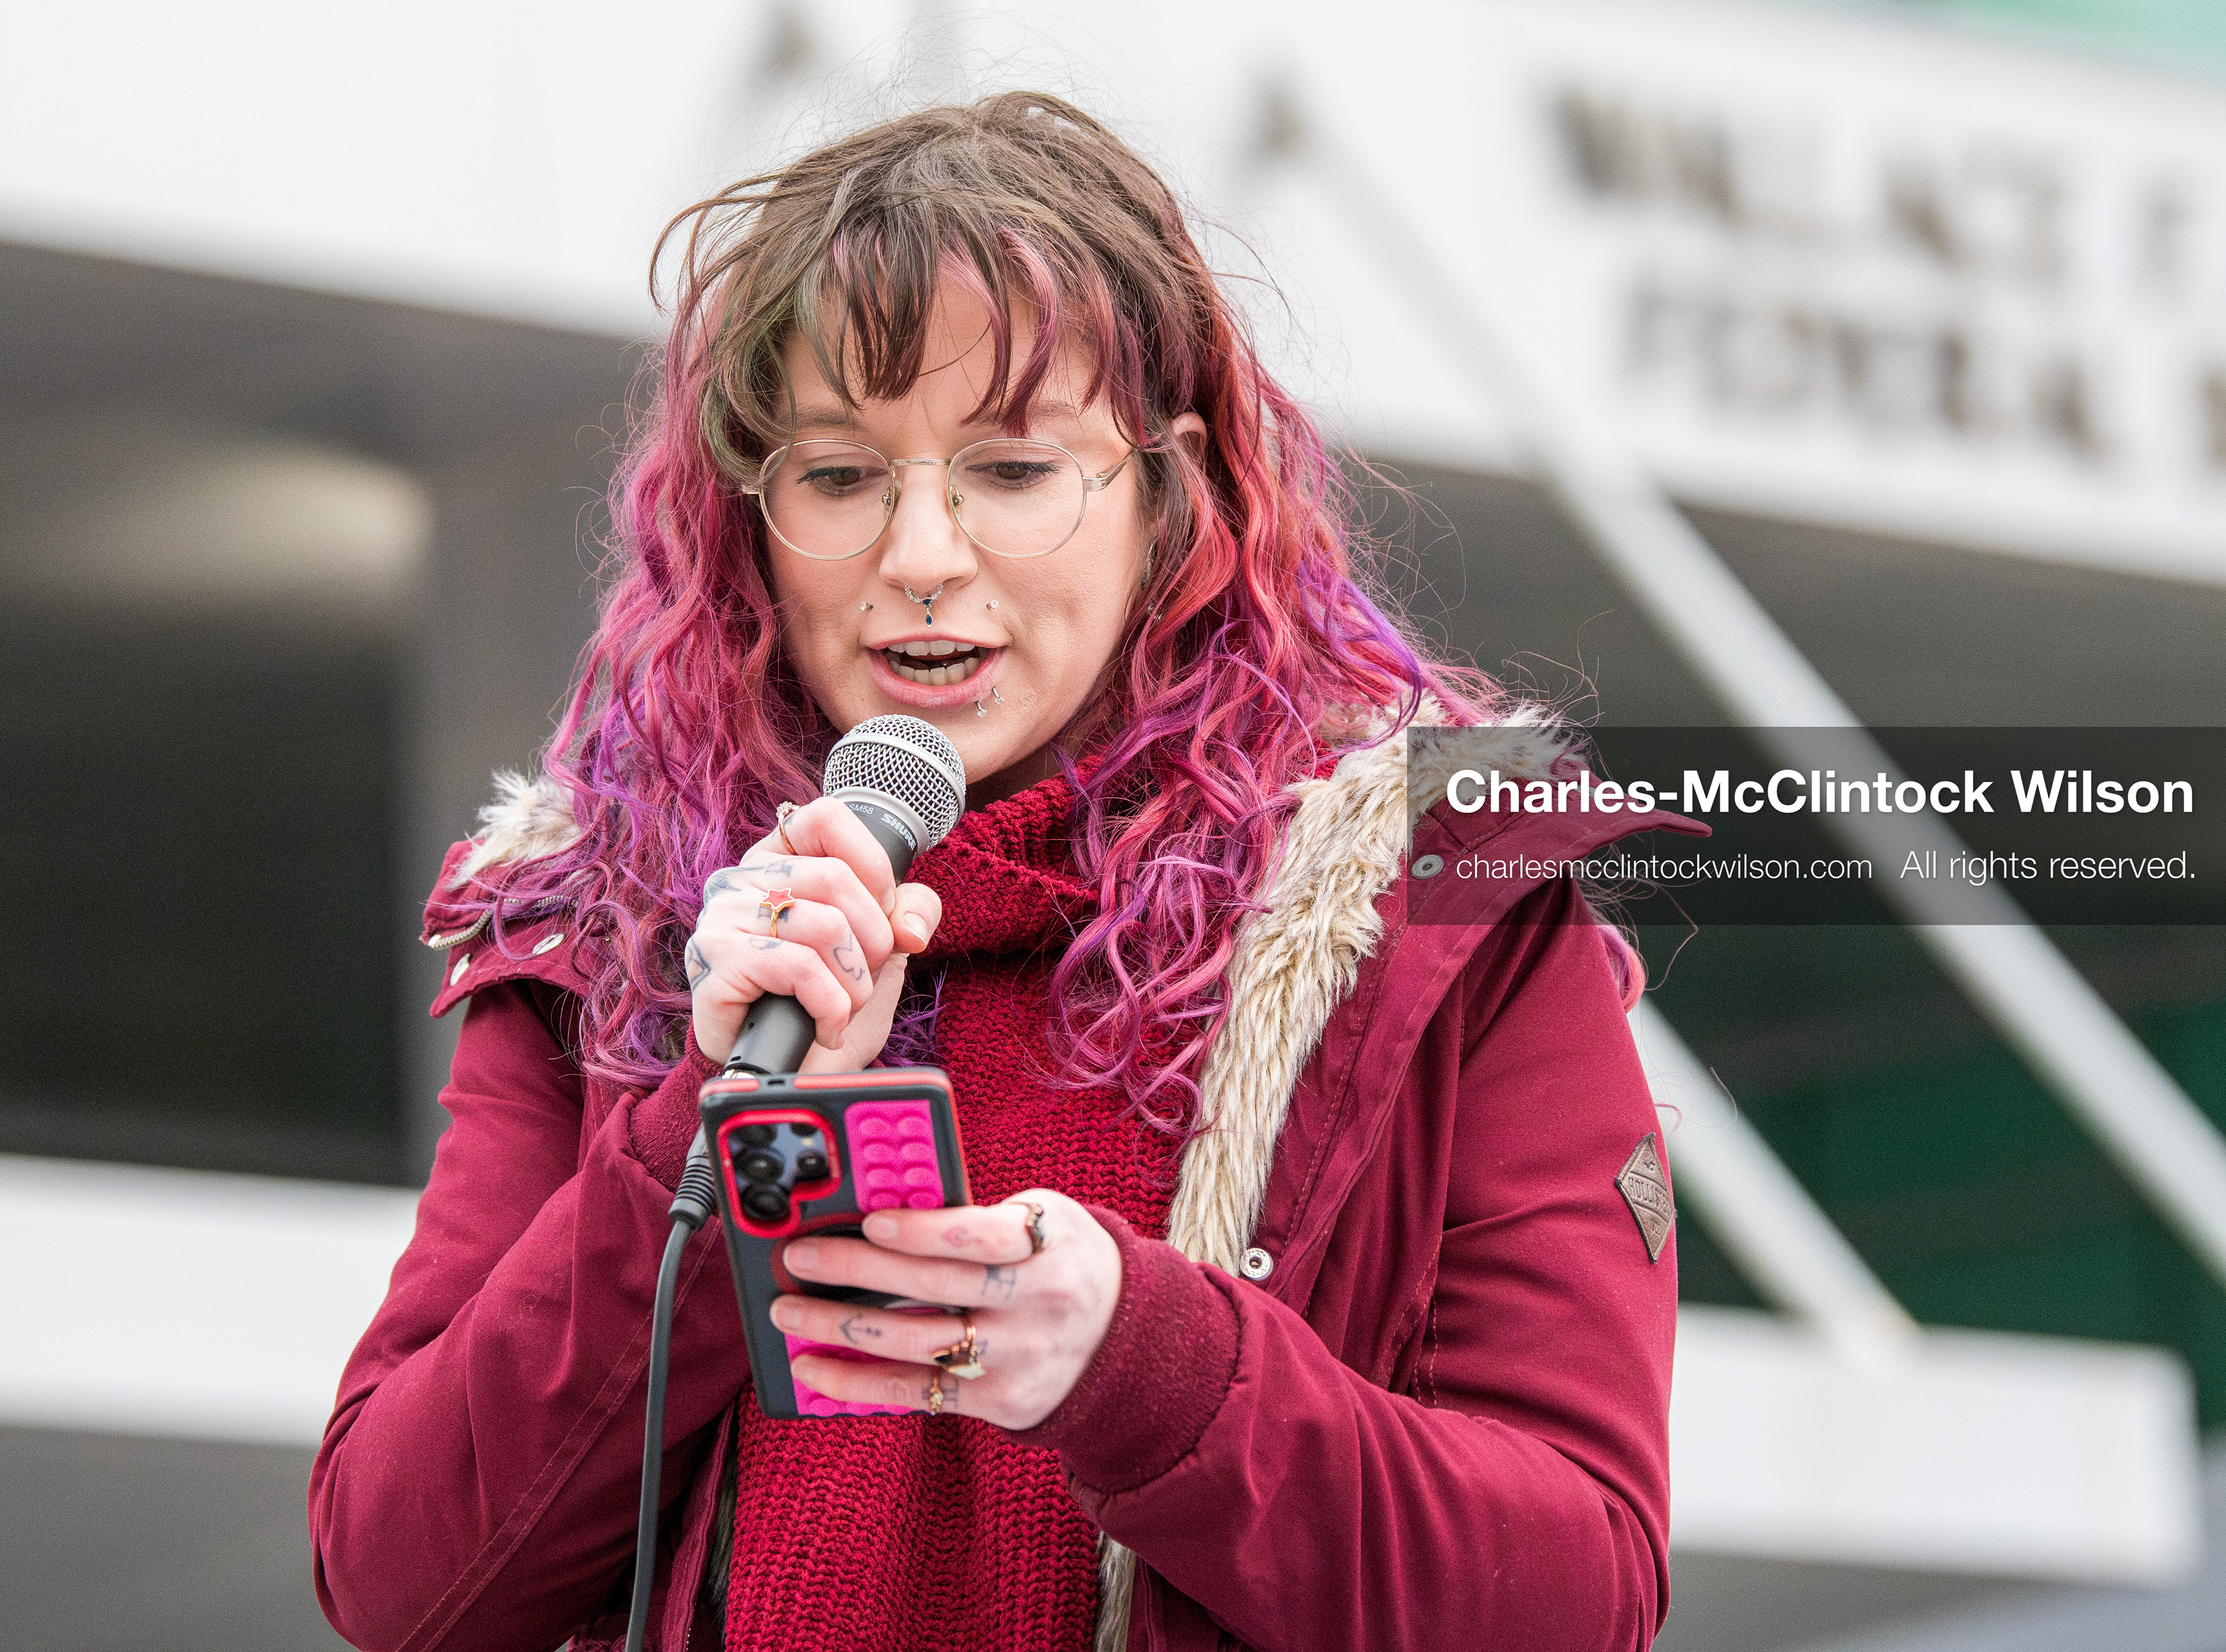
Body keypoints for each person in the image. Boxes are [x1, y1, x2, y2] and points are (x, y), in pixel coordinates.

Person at [310, 92, 1693, 1652]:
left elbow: (1580, 1594)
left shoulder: (1437, 901)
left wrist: (1143, 1359)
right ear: (744, 523)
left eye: (1014, 469)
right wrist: (709, 1120)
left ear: (1171, 491)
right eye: (837, 477)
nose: (920, 552)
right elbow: (399, 1574)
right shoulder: (611, 915)